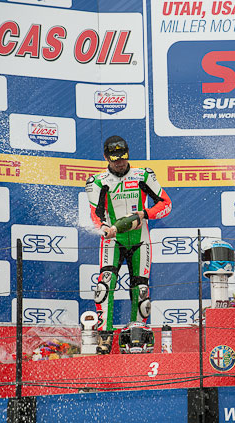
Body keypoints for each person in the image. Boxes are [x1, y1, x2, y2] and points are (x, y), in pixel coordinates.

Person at [85, 135, 172, 353]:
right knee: (104, 285)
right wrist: (103, 227)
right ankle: (104, 337)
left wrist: (145, 214)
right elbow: (96, 213)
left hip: (140, 239)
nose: (120, 163)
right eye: (115, 160)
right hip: (113, 240)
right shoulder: (97, 181)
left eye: (123, 158)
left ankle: (137, 337)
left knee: (141, 289)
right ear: (106, 157)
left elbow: (166, 203)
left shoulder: (143, 175)